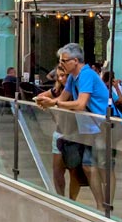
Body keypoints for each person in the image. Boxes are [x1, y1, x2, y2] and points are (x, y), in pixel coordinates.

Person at [36, 43, 111, 210]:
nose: (61, 64)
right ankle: (100, 206)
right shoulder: (72, 78)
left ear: (75, 61)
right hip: (88, 129)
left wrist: (53, 102)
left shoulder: (86, 75)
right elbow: (62, 99)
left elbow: (80, 104)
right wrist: (48, 103)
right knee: (87, 166)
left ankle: (104, 206)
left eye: (64, 61)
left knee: (99, 167)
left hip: (101, 127)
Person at [35, 65, 85, 200]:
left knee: (74, 171)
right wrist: (49, 107)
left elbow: (79, 105)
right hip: (60, 133)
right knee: (57, 170)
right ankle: (61, 199)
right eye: (59, 76)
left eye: (64, 76)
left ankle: (72, 201)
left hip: (75, 135)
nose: (62, 79)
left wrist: (55, 105)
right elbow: (40, 97)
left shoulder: (77, 90)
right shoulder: (57, 90)